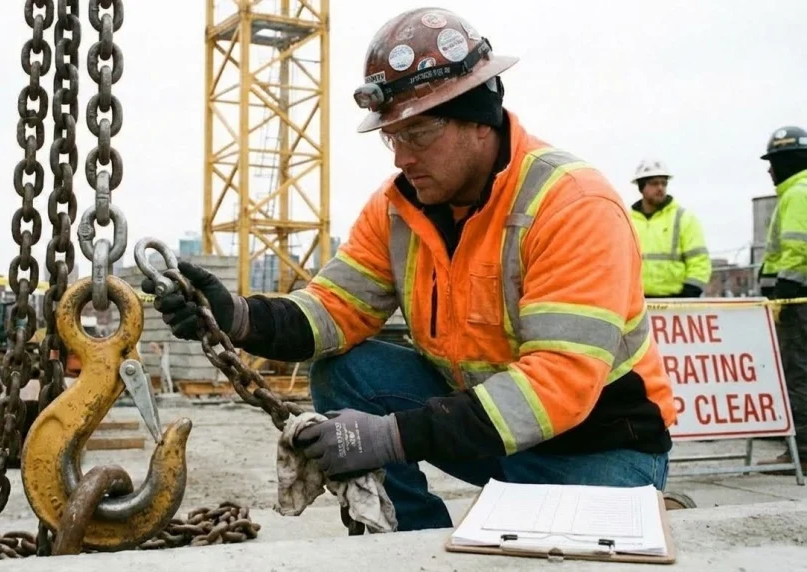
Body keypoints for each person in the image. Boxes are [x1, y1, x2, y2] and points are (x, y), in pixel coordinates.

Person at [143, 7, 676, 531]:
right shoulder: (400, 209)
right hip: (490, 436)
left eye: (417, 135)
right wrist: (233, 316)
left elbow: (558, 384)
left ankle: (626, 500)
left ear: (479, 119)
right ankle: (409, 540)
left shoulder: (570, 204)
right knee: (346, 369)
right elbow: (332, 310)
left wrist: (388, 438)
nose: (401, 157)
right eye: (391, 137)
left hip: (595, 442)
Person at [757, 125, 807, 475]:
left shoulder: (798, 193)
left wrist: (781, 297)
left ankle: (801, 451)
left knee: (798, 372)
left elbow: (797, 250)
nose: (769, 170)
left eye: (773, 161)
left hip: (798, 302)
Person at [628, 159, 712, 298]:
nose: (660, 188)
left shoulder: (684, 218)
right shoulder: (627, 220)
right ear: (641, 187)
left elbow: (699, 260)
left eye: (664, 183)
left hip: (677, 301)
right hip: (636, 302)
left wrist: (690, 292)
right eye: (654, 183)